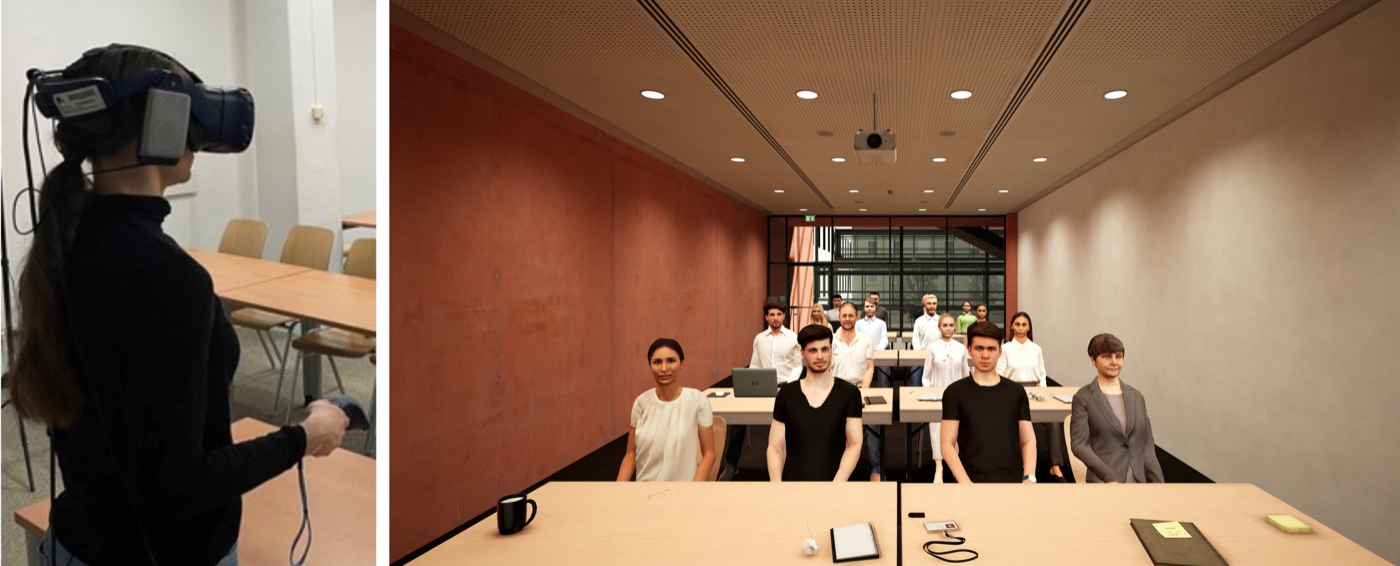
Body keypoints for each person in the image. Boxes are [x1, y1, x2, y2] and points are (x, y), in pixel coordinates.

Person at [9, 44, 350, 566]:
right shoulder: (168, 278)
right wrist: (306, 435)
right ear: (163, 121)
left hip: (78, 540)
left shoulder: (64, 247)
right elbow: (179, 488)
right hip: (168, 553)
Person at [939, 322, 1037, 484]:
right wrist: (965, 482)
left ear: (1000, 352)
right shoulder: (955, 392)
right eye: (979, 349)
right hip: (970, 479)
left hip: (1013, 480)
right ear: (969, 350)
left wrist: (1029, 478)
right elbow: (946, 444)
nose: (985, 355)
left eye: (991, 349)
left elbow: (1028, 440)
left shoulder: (1016, 392)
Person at [767, 325, 863, 482]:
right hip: (792, 486)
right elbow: (775, 446)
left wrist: (837, 484)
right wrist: (777, 485)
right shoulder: (786, 395)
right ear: (802, 353)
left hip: (834, 486)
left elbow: (855, 443)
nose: (820, 356)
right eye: (813, 350)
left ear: (831, 351)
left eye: (825, 349)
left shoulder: (850, 394)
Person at [720, 301, 802, 480]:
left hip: (786, 387)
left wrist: (790, 384)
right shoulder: (759, 339)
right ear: (766, 317)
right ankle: (732, 463)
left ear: (783, 316)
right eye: (771, 315)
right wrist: (749, 384)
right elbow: (755, 365)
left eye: (778, 314)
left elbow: (797, 366)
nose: (775, 318)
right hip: (763, 388)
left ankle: (791, 463)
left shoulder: (793, 338)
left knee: (790, 423)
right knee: (740, 417)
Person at [617, 339, 717, 482]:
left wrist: (693, 491)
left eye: (671, 361)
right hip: (643, 493)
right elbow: (630, 455)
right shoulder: (641, 403)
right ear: (650, 365)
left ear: (682, 363)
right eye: (657, 362)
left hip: (683, 493)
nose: (664, 368)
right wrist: (617, 490)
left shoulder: (698, 401)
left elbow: (709, 454)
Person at [1070, 334, 1164, 483]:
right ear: (1093, 360)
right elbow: (1079, 446)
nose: (1114, 362)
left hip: (1139, 483)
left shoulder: (1136, 397)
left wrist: (1159, 483)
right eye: (1106, 357)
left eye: (1118, 357)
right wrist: (1109, 476)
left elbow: (1146, 444)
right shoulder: (1083, 397)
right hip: (1104, 483)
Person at [996, 312, 1063, 481]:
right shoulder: (1005, 349)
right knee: (1018, 422)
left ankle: (1055, 465)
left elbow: (1042, 373)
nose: (1020, 328)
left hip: (1035, 392)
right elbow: (999, 373)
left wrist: (1044, 393)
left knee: (1052, 419)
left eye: (1024, 324)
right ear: (1012, 326)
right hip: (1012, 393)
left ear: (1029, 327)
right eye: (1017, 324)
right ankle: (1023, 464)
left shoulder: (1036, 349)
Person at [830, 302, 880, 480]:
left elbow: (869, 369)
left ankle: (875, 470)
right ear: (839, 317)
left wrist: (862, 393)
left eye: (851, 316)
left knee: (870, 425)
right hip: (835, 390)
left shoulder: (866, 340)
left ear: (856, 317)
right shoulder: (831, 340)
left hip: (859, 389)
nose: (847, 319)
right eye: (844, 316)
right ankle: (837, 471)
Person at [921, 313, 969, 480]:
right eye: (945, 325)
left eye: (950, 325)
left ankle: (956, 465)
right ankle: (939, 466)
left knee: (960, 428)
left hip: (958, 396)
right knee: (936, 427)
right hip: (938, 395)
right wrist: (931, 394)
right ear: (939, 327)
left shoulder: (962, 348)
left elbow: (965, 375)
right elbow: (925, 377)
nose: (948, 328)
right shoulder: (932, 348)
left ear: (955, 327)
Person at [910, 295, 941, 387]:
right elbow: (915, 339)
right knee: (914, 377)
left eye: (934, 303)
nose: (931, 306)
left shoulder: (941, 320)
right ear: (925, 305)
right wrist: (919, 354)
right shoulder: (919, 321)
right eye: (929, 303)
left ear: (937, 305)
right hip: (921, 357)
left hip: (938, 357)